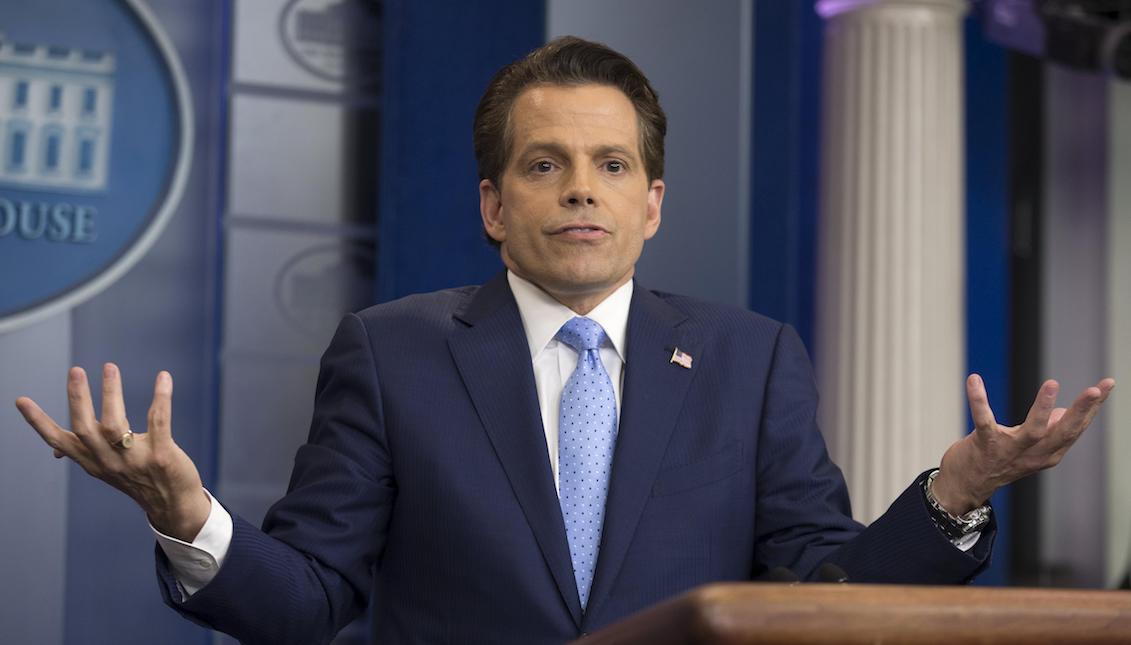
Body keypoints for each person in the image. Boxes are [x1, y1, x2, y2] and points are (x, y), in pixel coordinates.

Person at [15, 37, 1114, 644]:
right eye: (545, 165)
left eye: (612, 165)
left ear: (654, 203)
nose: (581, 190)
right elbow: (308, 603)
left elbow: (819, 590)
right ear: (495, 206)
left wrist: (953, 493)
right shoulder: (390, 353)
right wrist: (186, 516)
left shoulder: (750, 358)